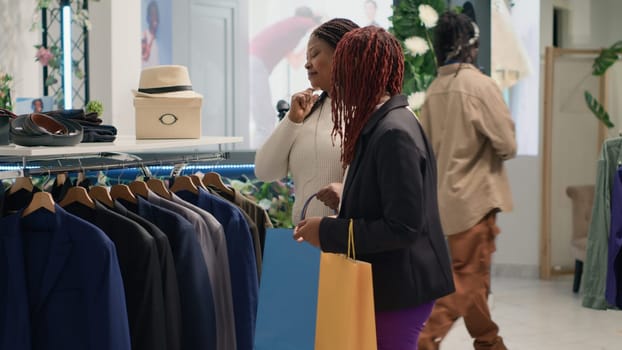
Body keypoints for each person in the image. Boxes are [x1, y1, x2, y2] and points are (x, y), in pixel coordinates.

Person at [293, 26, 455, 349]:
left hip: (400, 289)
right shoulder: (386, 121)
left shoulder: (393, 132)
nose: (334, 82)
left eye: (341, 72)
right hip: (395, 284)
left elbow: (404, 227)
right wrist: (349, 195)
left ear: (360, 73)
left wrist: (326, 232)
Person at [417, 11, 516, 350]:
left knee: (474, 284)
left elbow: (425, 152)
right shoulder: (479, 86)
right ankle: (421, 341)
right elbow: (508, 144)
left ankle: (490, 343)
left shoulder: (435, 89)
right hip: (475, 204)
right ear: (468, 46)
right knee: (465, 284)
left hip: (444, 206)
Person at [254, 18, 360, 224]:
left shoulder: (370, 112)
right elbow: (265, 171)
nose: (306, 63)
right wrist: (291, 120)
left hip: (347, 246)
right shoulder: (306, 112)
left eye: (315, 54)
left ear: (343, 55)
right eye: (306, 56)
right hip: (303, 246)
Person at [248, 6, 322, 148]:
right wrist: (316, 18)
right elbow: (322, 28)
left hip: (251, 64)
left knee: (264, 119)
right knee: (265, 121)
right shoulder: (298, 21)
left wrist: (309, 53)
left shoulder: (287, 33)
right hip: (256, 64)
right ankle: (257, 162)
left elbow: (294, 62)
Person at [142, 1, 160, 68]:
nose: (155, 18)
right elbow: (144, 57)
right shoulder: (144, 36)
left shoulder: (156, 40)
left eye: (156, 15)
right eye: (152, 14)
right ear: (148, 17)